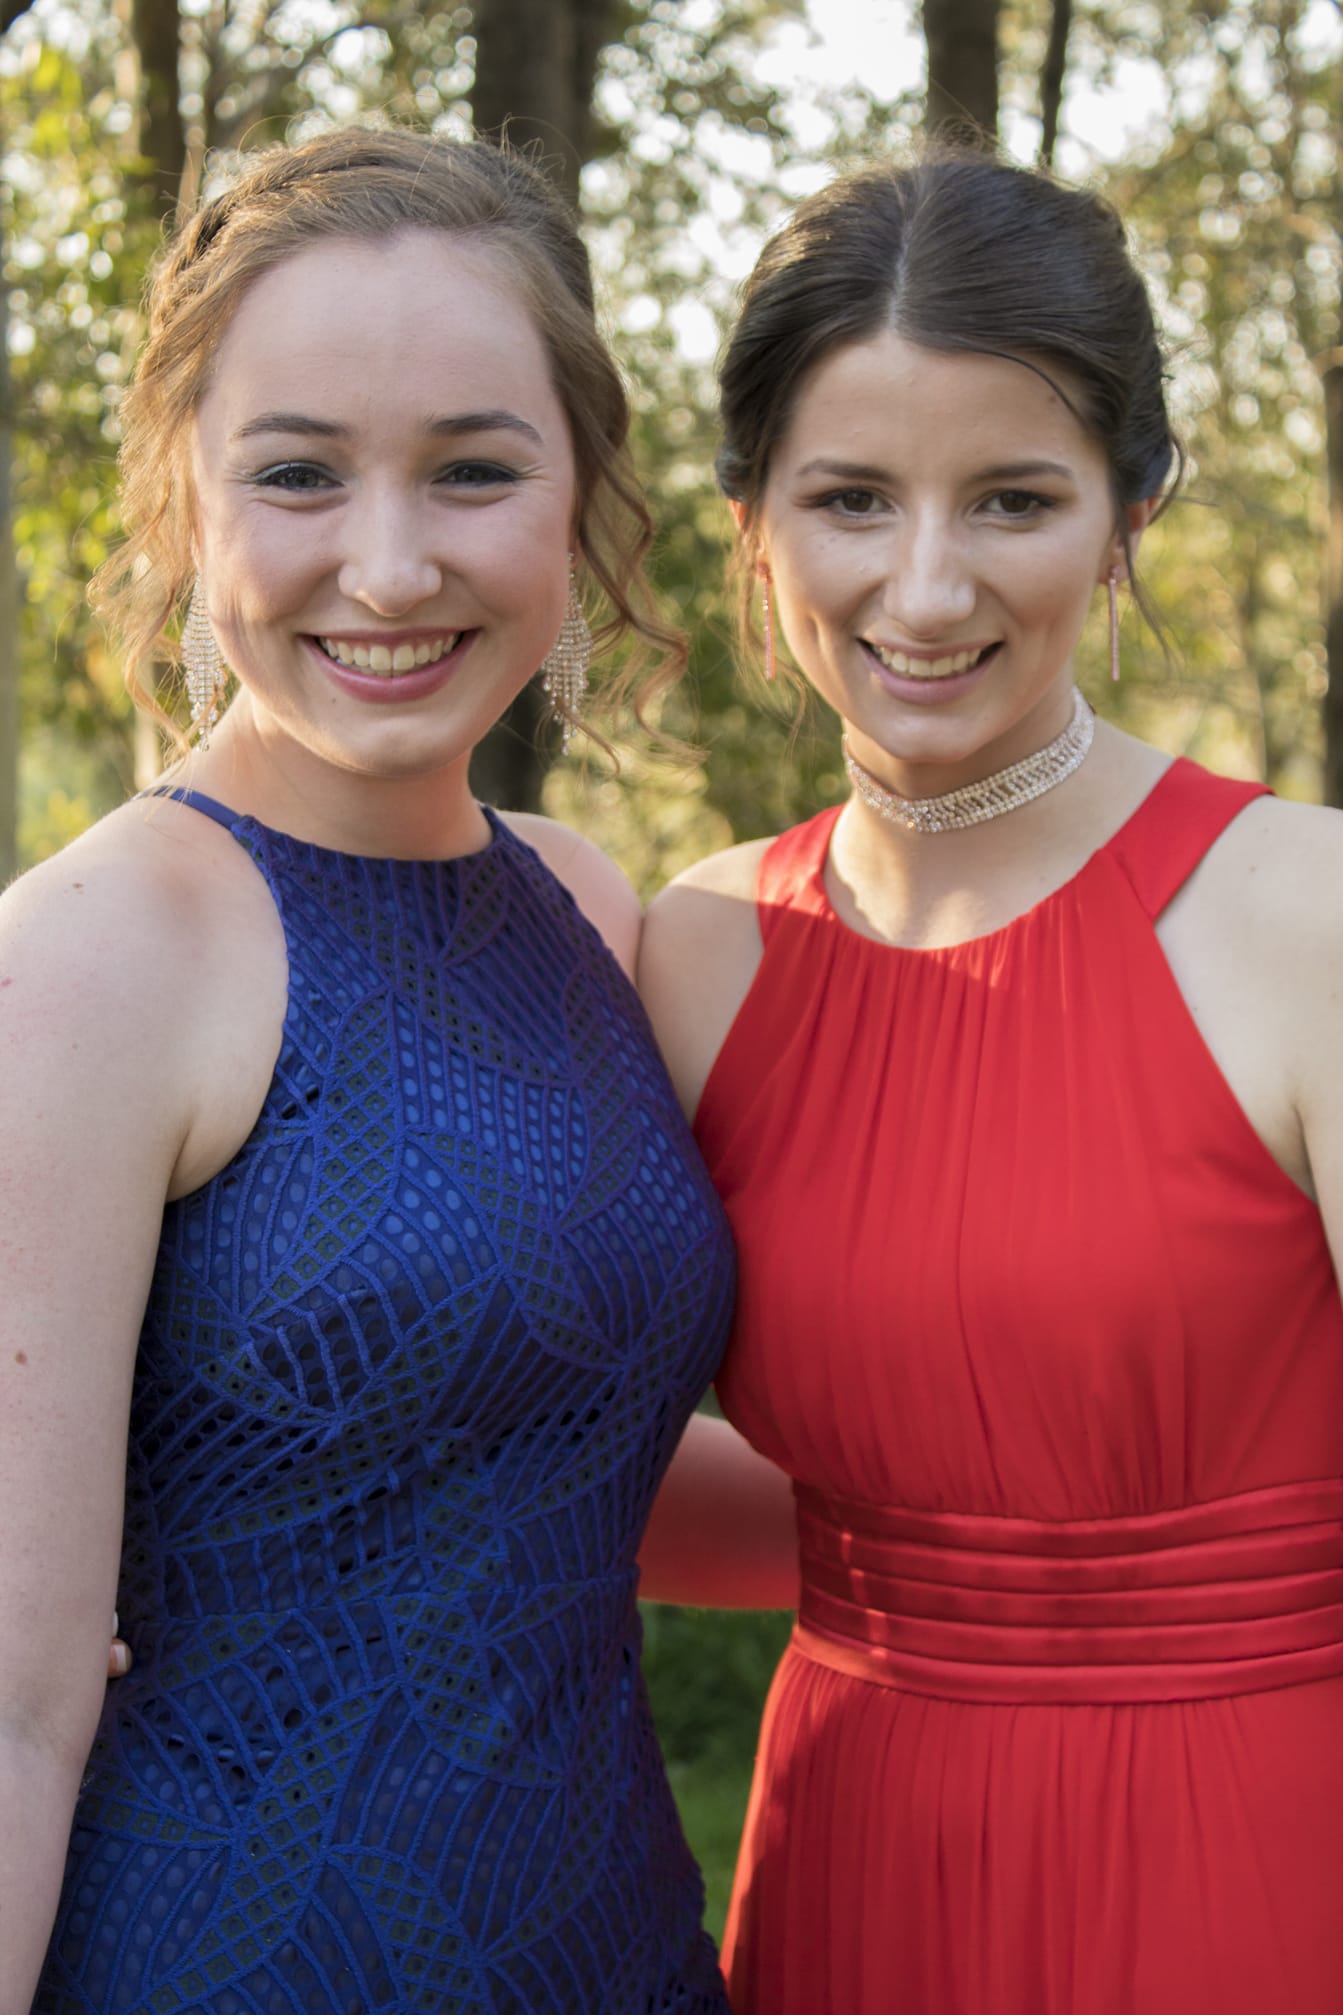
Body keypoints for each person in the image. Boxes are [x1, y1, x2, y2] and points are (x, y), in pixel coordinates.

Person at [2, 128, 735, 2012]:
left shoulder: (584, 904)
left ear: (578, 499)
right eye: (300, 472)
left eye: (475, 470)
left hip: (617, 1952)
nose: (389, 563)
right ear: (184, 496)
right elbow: (10, 1704)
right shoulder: (93, 959)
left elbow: (564, 1462)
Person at [637, 152, 1343, 2014]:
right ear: (755, 522)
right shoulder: (694, 957)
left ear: (1129, 511)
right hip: (850, 1855)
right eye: (850, 499)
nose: (925, 586)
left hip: (1255, 1866)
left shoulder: (1306, 916)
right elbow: (609, 1472)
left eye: (1013, 499)